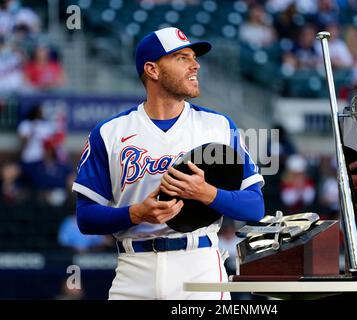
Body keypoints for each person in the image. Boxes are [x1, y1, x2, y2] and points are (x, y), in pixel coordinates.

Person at [72, 27, 265, 300]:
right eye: (182, 58)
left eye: (194, 57)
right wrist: (136, 213)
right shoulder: (109, 132)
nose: (195, 65)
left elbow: (255, 207)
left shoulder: (218, 126)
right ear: (152, 69)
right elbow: (86, 217)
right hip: (133, 269)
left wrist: (206, 193)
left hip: (199, 265)